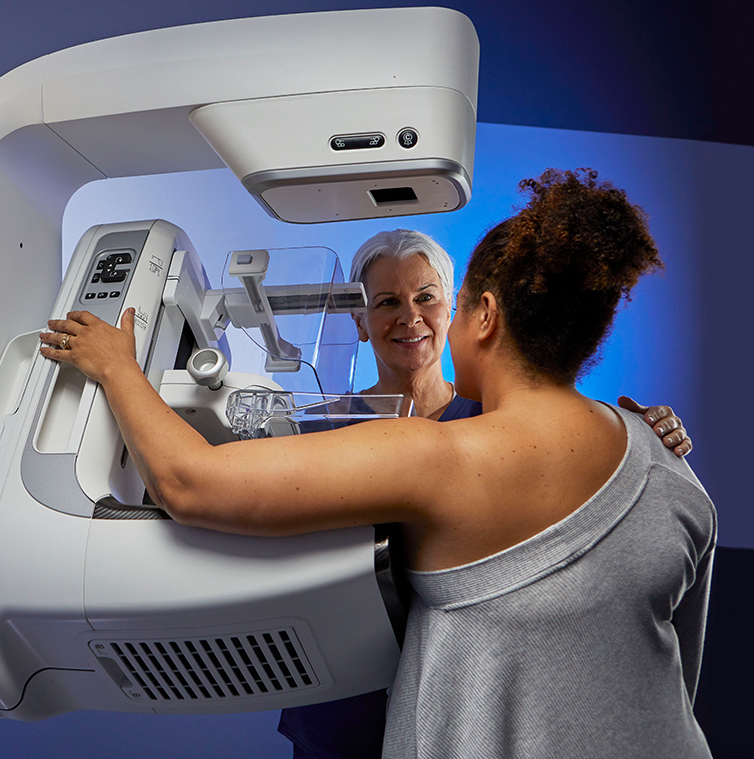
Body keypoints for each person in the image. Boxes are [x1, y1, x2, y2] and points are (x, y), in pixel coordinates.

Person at [40, 169, 715, 757]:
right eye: (386, 301)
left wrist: (119, 369)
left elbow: (187, 483)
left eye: (436, 302)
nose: (412, 318)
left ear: (479, 314)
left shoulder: (435, 454)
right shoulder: (669, 467)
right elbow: (673, 665)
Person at [277, 228, 692, 758]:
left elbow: (581, 464)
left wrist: (640, 435)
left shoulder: (501, 425)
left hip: (462, 705)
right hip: (338, 705)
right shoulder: (311, 428)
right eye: (387, 302)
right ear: (358, 321)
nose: (410, 317)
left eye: (426, 297)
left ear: (453, 307)